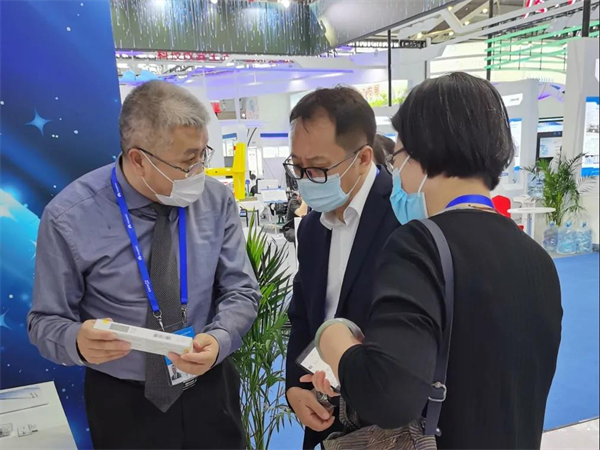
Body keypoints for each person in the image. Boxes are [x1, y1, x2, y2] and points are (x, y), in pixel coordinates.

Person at [304, 73, 563, 450]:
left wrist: (333, 338)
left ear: (420, 155)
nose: (396, 175)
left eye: (397, 159)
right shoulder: (537, 258)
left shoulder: (419, 244)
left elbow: (387, 395)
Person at [28, 80, 260, 450]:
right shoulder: (70, 217)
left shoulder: (215, 201)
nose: (200, 169)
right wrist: (77, 342)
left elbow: (242, 290)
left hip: (209, 388)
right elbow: (44, 321)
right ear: (139, 159)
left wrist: (219, 340)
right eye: (187, 160)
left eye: (203, 154)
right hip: (123, 403)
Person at [283, 87, 400, 450]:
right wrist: (294, 385)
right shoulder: (311, 227)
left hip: (384, 422)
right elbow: (302, 314)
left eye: (318, 168)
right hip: (321, 409)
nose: (305, 179)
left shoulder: (404, 217)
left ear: (363, 158)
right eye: (297, 167)